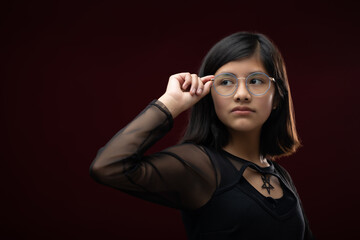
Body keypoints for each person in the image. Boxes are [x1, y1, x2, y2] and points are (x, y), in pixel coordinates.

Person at [89, 32, 314, 240]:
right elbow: (108, 167)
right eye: (226, 82)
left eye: (256, 81)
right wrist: (171, 103)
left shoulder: (280, 176)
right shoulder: (199, 166)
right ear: (210, 94)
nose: (242, 95)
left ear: (276, 98)